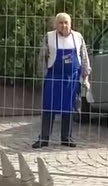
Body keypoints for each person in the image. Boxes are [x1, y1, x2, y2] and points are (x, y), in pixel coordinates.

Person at [33, 12, 90, 148]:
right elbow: (42, 58)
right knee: (48, 108)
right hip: (53, 78)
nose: (63, 25)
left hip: (72, 79)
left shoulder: (78, 37)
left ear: (71, 24)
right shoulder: (49, 37)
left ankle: (66, 138)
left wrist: (85, 77)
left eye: (66, 22)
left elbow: (84, 58)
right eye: (60, 22)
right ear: (56, 25)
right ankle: (44, 138)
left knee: (69, 108)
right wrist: (44, 76)